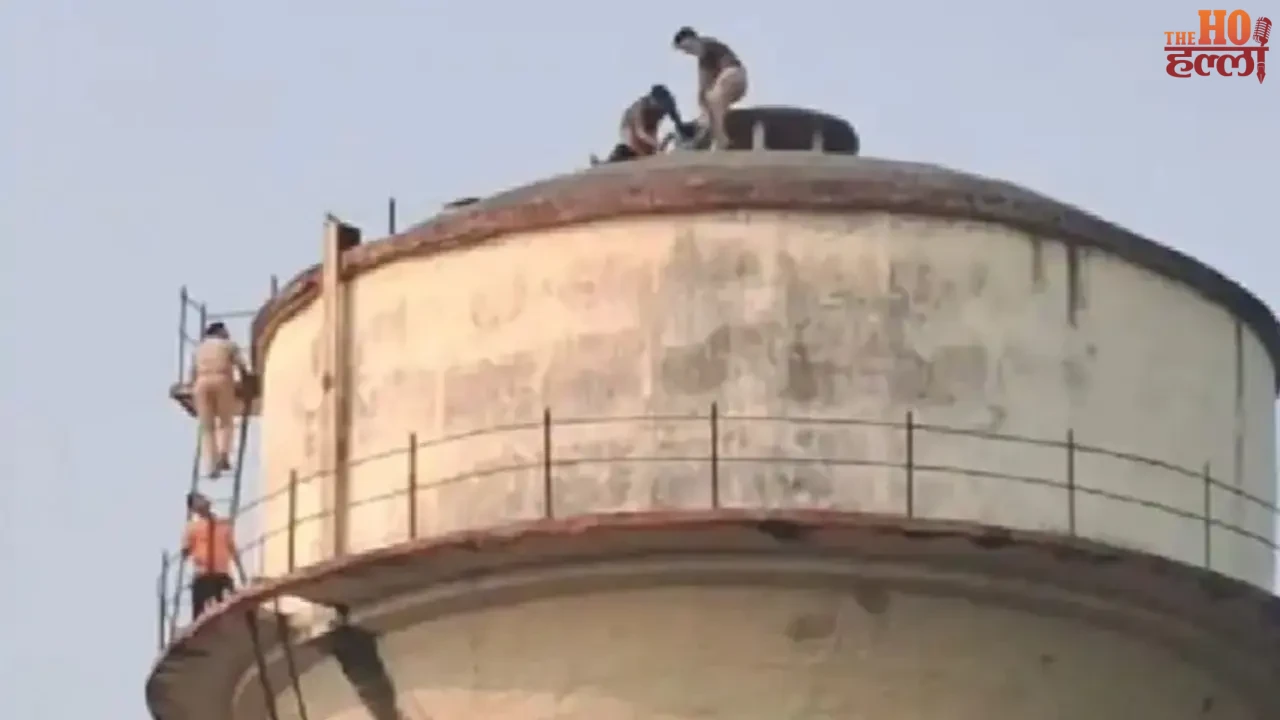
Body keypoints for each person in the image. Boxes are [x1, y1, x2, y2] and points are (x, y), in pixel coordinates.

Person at [672, 27, 748, 150]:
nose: (686, 52)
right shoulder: (705, 57)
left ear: (691, 39)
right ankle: (714, 135)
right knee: (712, 103)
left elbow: (704, 83)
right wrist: (703, 114)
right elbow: (702, 89)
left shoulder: (705, 44)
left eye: (685, 48)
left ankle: (721, 139)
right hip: (736, 82)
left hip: (733, 75)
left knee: (713, 99)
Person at [190, 321, 249, 478]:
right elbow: (242, 366)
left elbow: (192, 373)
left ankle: (211, 465)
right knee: (225, 421)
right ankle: (223, 455)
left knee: (207, 427)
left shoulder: (199, 349)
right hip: (221, 379)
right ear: (219, 332)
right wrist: (247, 381)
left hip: (201, 383)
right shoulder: (228, 345)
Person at [592, 85, 690, 165]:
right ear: (652, 99)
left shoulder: (669, 104)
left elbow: (678, 123)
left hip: (649, 126)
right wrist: (656, 144)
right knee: (634, 149)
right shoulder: (641, 106)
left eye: (662, 105)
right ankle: (607, 162)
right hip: (629, 124)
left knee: (649, 153)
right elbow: (640, 132)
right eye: (657, 105)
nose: (660, 108)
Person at [182, 492, 237, 620]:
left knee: (230, 611)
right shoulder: (192, 528)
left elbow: (232, 548)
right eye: (197, 502)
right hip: (203, 575)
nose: (201, 504)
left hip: (222, 574)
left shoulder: (224, 524)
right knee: (199, 617)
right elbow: (185, 551)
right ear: (193, 509)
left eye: (201, 500)